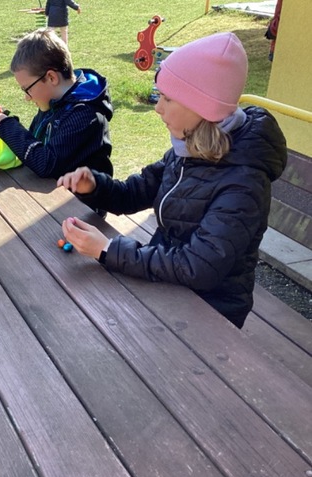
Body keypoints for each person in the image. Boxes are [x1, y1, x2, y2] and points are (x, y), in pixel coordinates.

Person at [56, 32, 287, 328]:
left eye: (167, 98)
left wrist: (108, 250)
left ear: (202, 107)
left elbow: (199, 267)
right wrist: (94, 186)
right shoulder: (188, 149)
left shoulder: (244, 183)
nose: (158, 108)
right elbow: (134, 193)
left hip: (209, 311)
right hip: (166, 285)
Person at [0, 28, 113, 180]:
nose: (27, 98)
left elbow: (46, 164)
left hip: (77, 196)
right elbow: (33, 143)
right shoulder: (54, 103)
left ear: (51, 77)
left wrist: (6, 126)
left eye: (27, 89)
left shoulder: (85, 114)